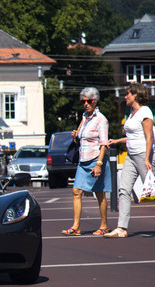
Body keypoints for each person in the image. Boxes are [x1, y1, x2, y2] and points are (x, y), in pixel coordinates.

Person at [104, 83, 155, 238]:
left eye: (127, 94)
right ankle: (122, 228)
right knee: (123, 190)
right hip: (131, 156)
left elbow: (148, 137)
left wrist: (147, 159)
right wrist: (117, 141)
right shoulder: (132, 114)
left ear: (136, 95)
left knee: (153, 191)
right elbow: (133, 136)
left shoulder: (145, 112)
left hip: (143, 156)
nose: (125, 97)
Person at [61, 87, 111, 236]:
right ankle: (76, 226)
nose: (86, 104)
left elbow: (103, 144)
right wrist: (76, 134)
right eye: (83, 101)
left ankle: (104, 225)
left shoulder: (101, 120)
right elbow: (81, 134)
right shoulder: (84, 117)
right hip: (83, 160)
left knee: (99, 193)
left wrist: (99, 164)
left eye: (89, 101)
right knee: (76, 191)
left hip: (96, 158)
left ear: (95, 101)